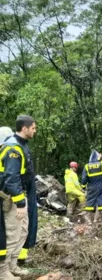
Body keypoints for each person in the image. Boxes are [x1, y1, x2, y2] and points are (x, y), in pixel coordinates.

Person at [0, 116, 38, 280]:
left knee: (23, 231)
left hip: (22, 195)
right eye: (33, 128)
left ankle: (13, 265)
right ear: (25, 128)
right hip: (13, 199)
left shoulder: (21, 145)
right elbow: (11, 178)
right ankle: (3, 271)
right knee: (12, 233)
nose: (35, 131)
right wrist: (21, 203)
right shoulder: (13, 149)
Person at [82, 151, 102, 223]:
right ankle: (95, 219)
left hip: (92, 187)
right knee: (100, 203)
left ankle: (89, 221)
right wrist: (101, 158)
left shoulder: (87, 166)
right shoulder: (101, 164)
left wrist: (83, 186)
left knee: (90, 203)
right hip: (101, 187)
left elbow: (84, 178)